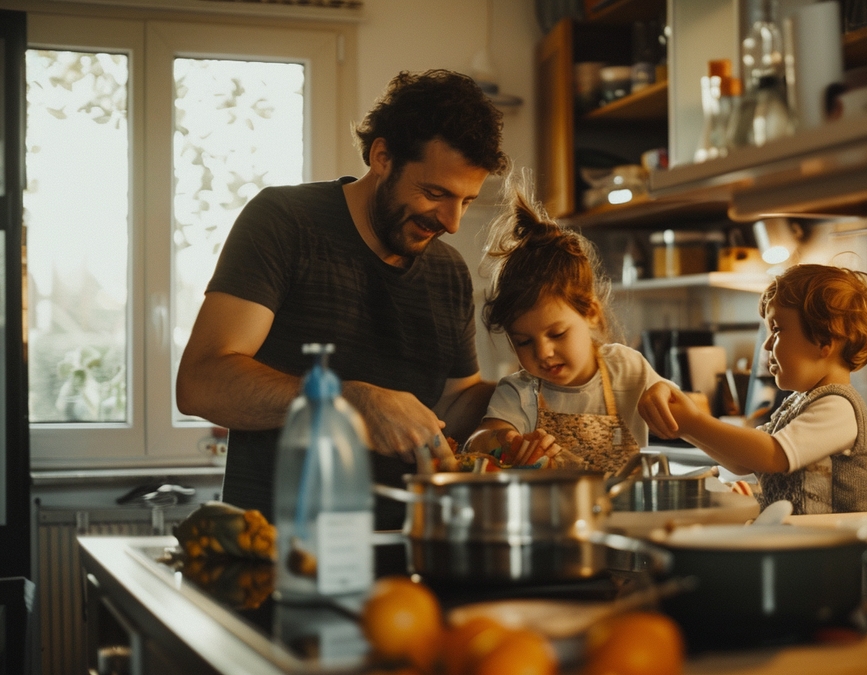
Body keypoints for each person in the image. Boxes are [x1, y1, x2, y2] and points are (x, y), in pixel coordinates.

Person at [176, 70, 508, 523]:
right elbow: (200, 384)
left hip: (408, 558)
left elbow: (451, 405)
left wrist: (530, 398)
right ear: (382, 156)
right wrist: (348, 401)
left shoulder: (448, 271)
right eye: (435, 193)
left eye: (467, 201)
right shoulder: (284, 223)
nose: (451, 222)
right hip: (280, 559)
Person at [638, 264, 867, 514]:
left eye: (776, 330)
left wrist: (694, 422)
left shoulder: (839, 407)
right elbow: (743, 462)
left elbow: (772, 455)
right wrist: (684, 427)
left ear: (824, 341)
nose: (767, 345)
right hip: (798, 542)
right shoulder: (799, 403)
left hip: (832, 548)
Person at [463, 175, 667, 475]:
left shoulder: (628, 369)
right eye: (523, 341)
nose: (543, 352)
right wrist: (505, 440)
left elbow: (681, 408)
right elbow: (477, 443)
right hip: (552, 518)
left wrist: (662, 394)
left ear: (591, 314)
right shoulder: (520, 393)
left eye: (557, 333)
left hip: (624, 517)